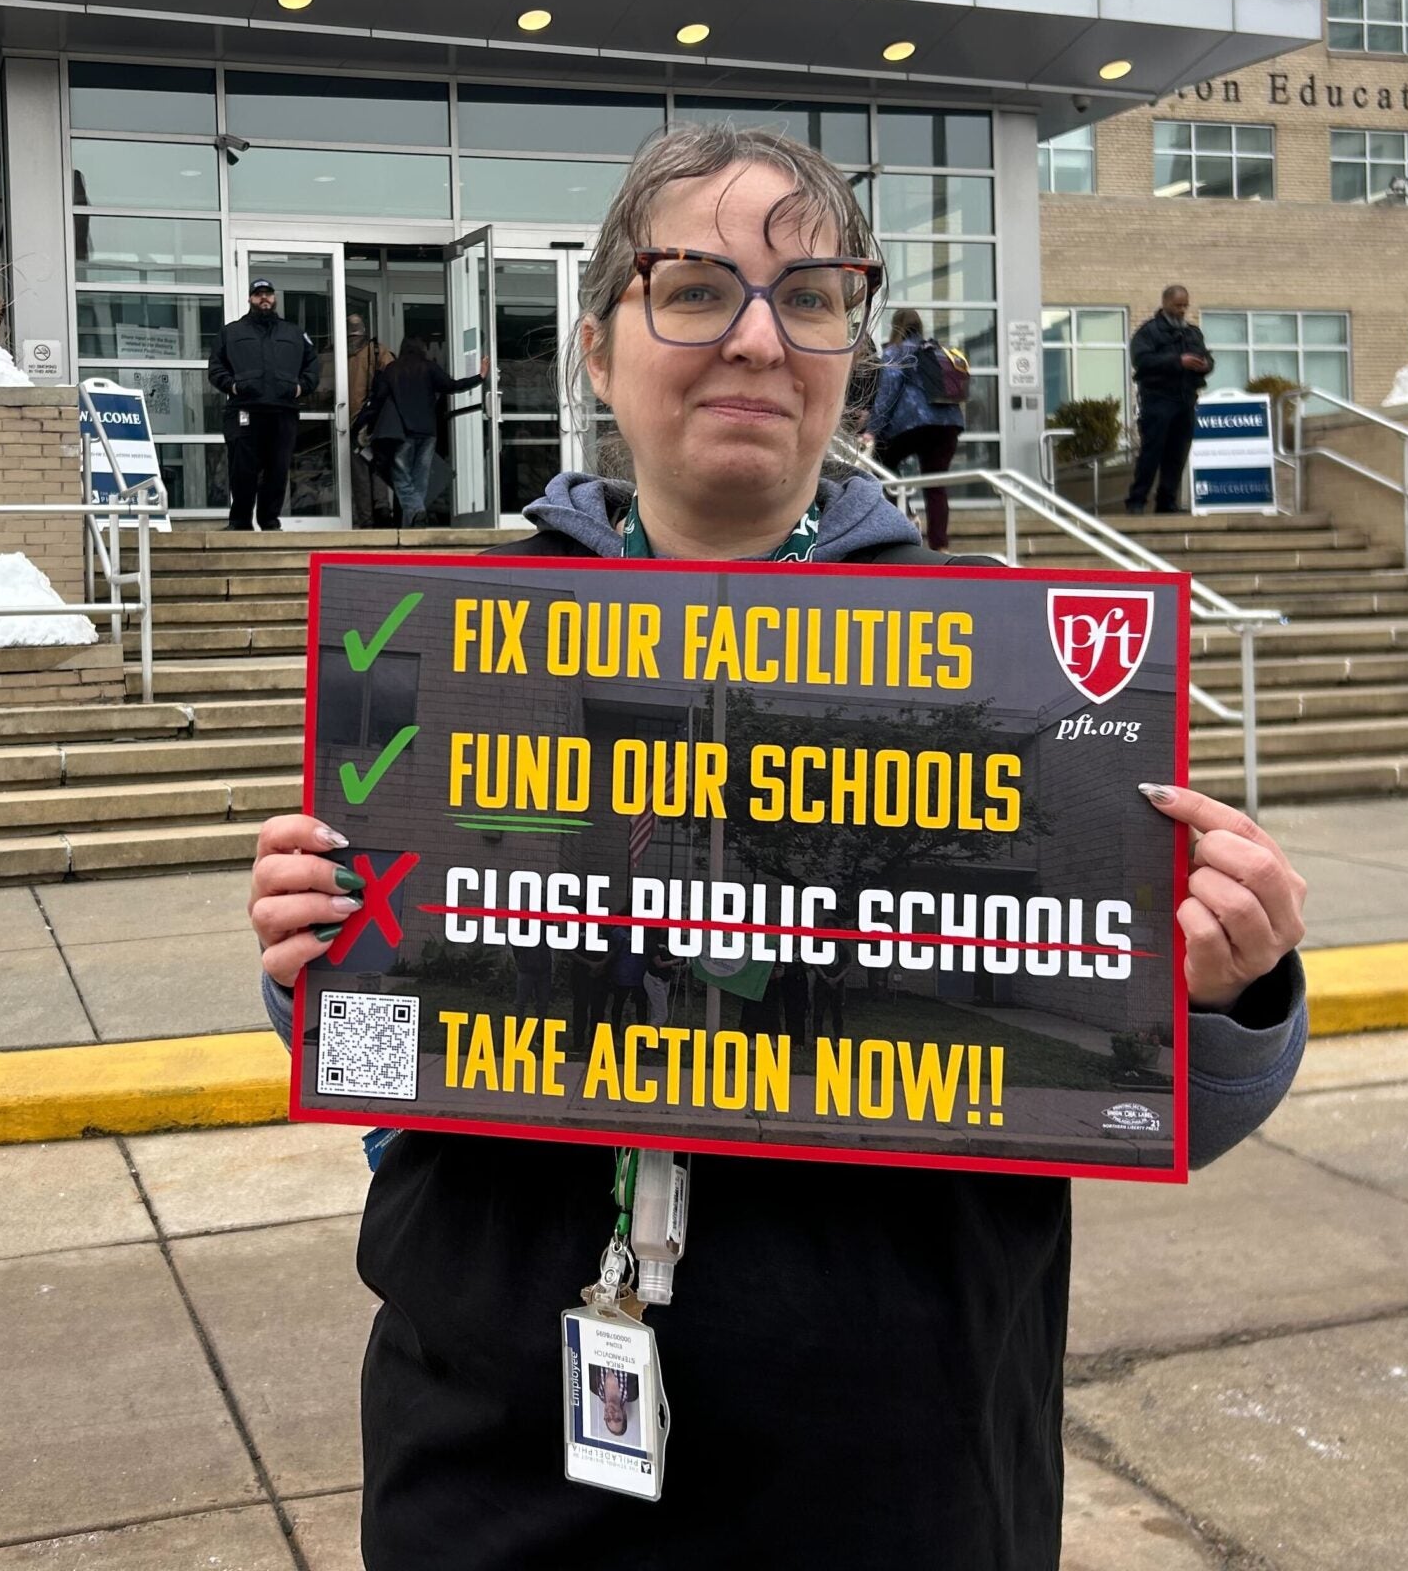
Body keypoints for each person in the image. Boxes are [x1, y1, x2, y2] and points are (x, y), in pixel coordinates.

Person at [245, 122, 1311, 1568]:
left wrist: (1229, 994)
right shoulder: (447, 649)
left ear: (849, 357)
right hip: (501, 1463)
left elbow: (1132, 1091)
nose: (755, 338)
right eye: (694, 288)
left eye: (808, 298)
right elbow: (391, 1045)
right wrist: (320, 955)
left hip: (897, 1474)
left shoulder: (1008, 670)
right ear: (598, 348)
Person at [208, 278, 318, 531]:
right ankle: (240, 522)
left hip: (282, 411)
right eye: (258, 294)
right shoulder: (231, 332)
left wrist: (300, 388)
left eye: (268, 293)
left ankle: (269, 522)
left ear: (275, 297)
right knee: (242, 470)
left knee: (277, 470)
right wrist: (233, 386)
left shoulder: (294, 333)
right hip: (244, 410)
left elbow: (312, 365)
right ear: (250, 299)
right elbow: (215, 367)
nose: (264, 298)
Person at [862, 307, 966, 548]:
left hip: (914, 423)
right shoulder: (938, 351)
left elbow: (886, 395)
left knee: (879, 462)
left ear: (896, 326)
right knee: (935, 485)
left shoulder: (896, 352)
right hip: (948, 425)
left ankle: (907, 515)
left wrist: (872, 430)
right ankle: (939, 546)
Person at [357, 336, 487, 527]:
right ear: (422, 349)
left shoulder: (392, 369)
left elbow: (379, 399)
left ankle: (417, 513)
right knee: (420, 480)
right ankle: (414, 525)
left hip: (402, 431)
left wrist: (365, 423)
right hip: (428, 432)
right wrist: (479, 377)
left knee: (401, 478)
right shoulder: (429, 367)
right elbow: (452, 386)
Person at [1125, 282, 1212, 516]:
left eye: (1185, 306)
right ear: (1165, 303)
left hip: (1185, 400)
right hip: (1158, 400)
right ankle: (1137, 500)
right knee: (1152, 452)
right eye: (1177, 305)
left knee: (1177, 454)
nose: (1182, 310)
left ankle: (1167, 502)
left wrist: (1204, 365)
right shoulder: (1149, 332)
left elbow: (1207, 358)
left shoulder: (1192, 333)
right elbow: (1142, 361)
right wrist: (1178, 361)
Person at [345, 311, 394, 527]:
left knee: (360, 474)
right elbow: (393, 379)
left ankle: (366, 519)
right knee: (377, 465)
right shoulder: (377, 351)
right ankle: (381, 509)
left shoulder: (337, 355)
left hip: (351, 422)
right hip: (373, 419)